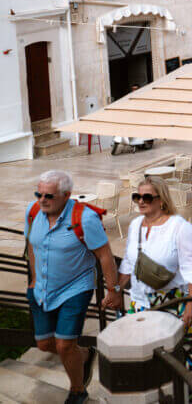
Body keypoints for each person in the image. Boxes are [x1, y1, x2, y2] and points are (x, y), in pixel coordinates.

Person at [25, 170, 121, 404]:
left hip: (75, 288)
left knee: (64, 344)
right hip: (41, 289)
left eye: (49, 195)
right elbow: (31, 246)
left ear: (66, 195)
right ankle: (85, 354)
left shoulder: (85, 218)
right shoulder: (33, 211)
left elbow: (105, 255)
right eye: (39, 194)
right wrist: (34, 279)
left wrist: (113, 290)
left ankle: (78, 390)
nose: (42, 199)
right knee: (45, 344)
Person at [118, 177, 192, 381]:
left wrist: (191, 304)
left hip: (174, 304)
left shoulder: (180, 228)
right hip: (140, 303)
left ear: (161, 200)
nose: (141, 201)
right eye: (137, 197)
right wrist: (115, 289)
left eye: (147, 197)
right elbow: (129, 263)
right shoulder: (135, 226)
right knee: (146, 361)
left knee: (181, 362)